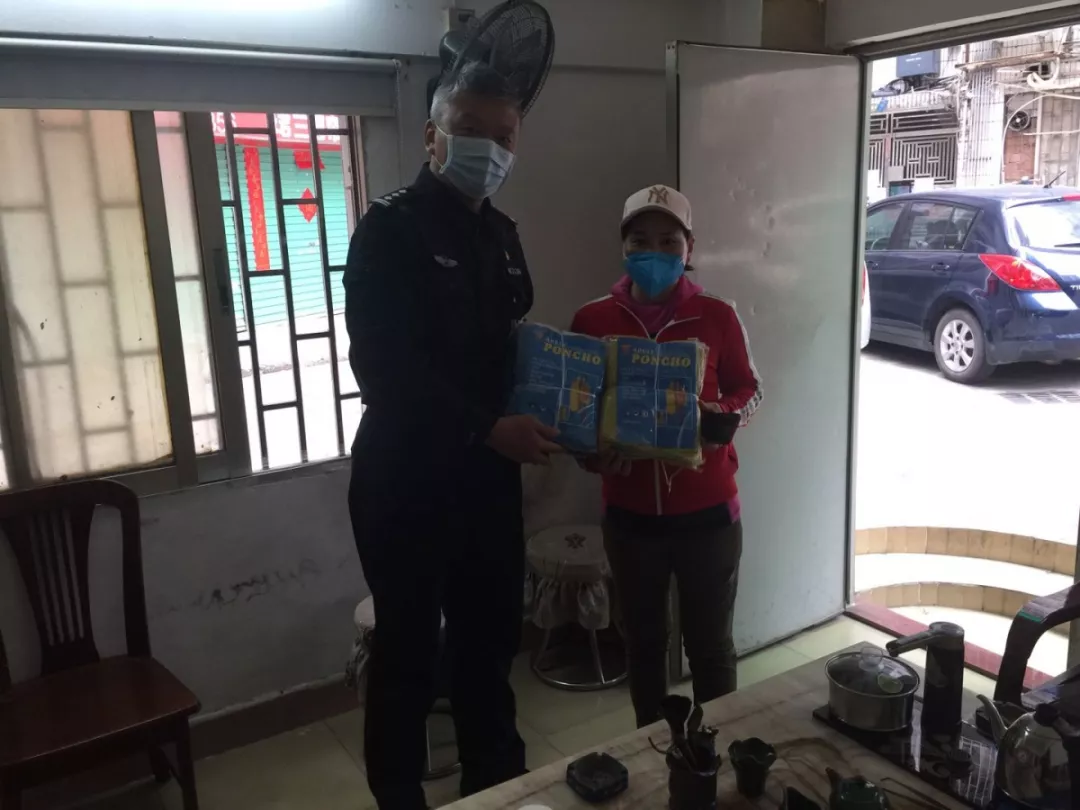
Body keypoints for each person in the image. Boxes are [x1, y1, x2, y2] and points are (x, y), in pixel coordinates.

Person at [343, 62, 561, 810]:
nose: (489, 149)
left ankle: (496, 790)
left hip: (486, 484)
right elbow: (383, 369)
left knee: (489, 647)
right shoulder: (390, 229)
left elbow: (509, 351)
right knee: (407, 655)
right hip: (405, 480)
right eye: (471, 130)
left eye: (505, 136)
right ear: (432, 137)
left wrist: (569, 409)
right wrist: (487, 428)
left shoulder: (501, 235)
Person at [570, 185, 762, 728]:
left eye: (668, 241)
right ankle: (655, 755)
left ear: (689, 247)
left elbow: (750, 390)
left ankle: (714, 753)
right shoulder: (591, 320)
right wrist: (593, 456)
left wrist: (718, 417)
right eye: (640, 240)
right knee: (644, 645)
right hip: (629, 519)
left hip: (709, 515)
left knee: (711, 649)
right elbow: (576, 412)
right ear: (623, 246)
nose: (653, 251)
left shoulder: (718, 315)